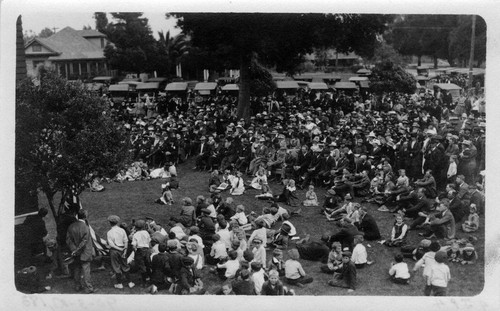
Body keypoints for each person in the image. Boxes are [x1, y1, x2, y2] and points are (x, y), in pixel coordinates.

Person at [66, 209, 97, 293]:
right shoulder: (85, 227)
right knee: (86, 270)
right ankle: (89, 288)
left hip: (75, 253)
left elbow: (68, 240)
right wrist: (77, 249)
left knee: (77, 268)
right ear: (85, 216)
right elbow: (85, 241)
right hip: (85, 252)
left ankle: (77, 286)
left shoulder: (71, 226)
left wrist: (74, 250)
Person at [106, 215, 135, 290]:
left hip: (114, 250)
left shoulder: (109, 232)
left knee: (116, 266)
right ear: (117, 222)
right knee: (125, 265)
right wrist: (124, 250)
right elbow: (126, 240)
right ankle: (130, 282)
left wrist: (118, 248)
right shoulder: (122, 230)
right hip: (122, 248)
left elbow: (111, 244)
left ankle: (120, 284)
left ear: (110, 223)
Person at [131, 219, 152, 287]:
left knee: (141, 266)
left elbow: (134, 245)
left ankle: (144, 281)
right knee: (148, 264)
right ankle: (149, 278)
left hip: (140, 250)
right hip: (147, 250)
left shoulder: (135, 234)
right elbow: (149, 242)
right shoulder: (146, 232)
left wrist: (135, 251)